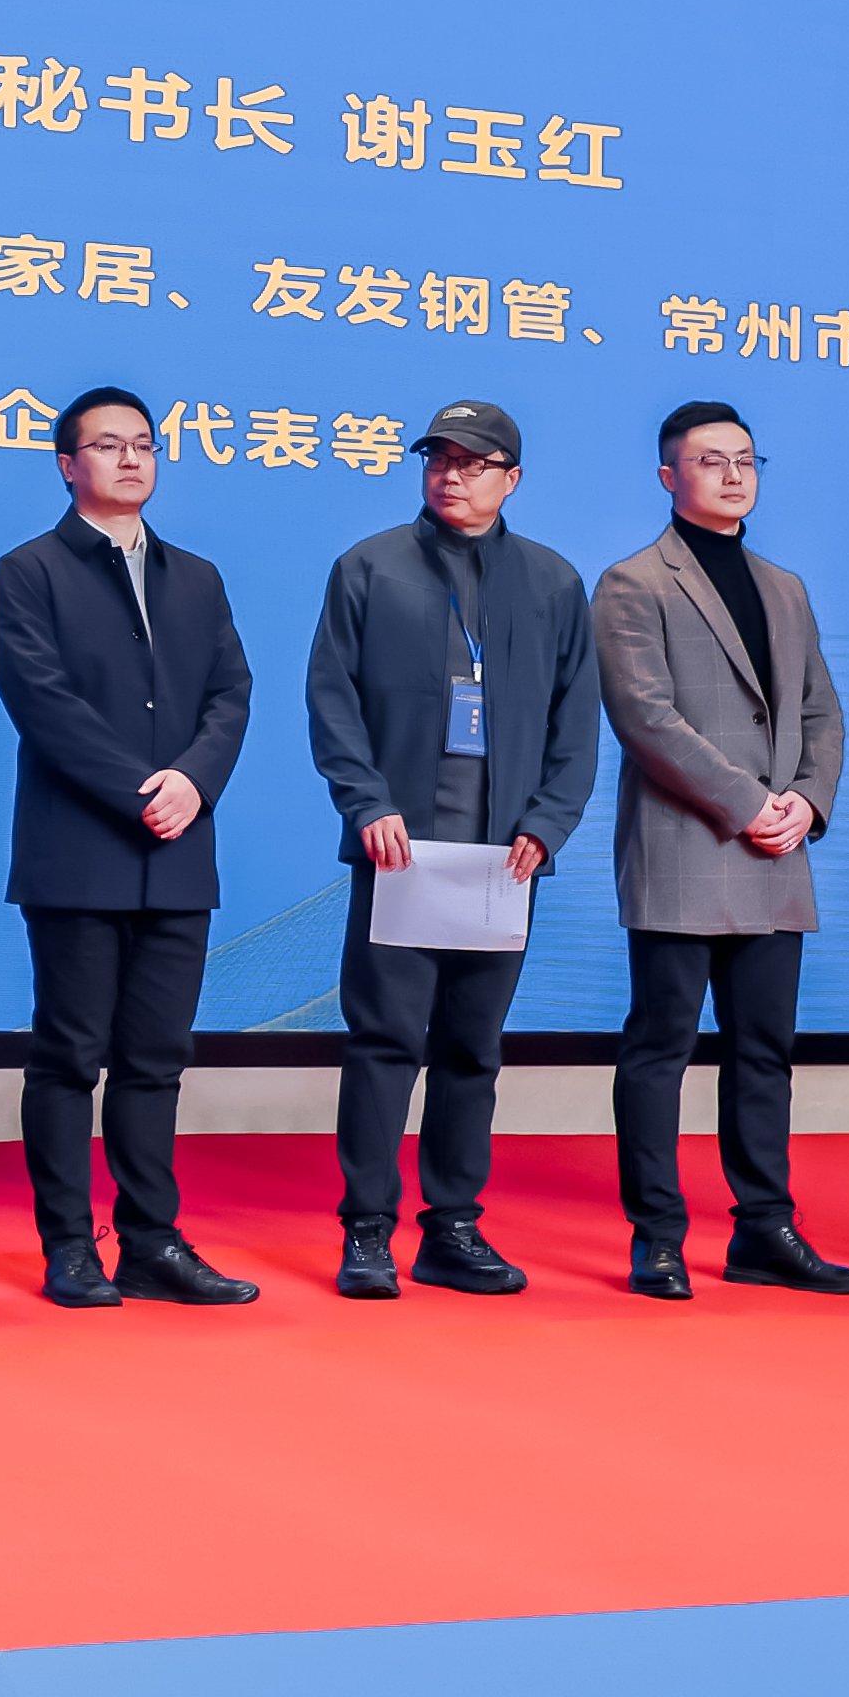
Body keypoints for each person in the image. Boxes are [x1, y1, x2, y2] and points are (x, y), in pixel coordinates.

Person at [303, 398, 599, 1299]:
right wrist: (366, 802)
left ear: (512, 479)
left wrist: (548, 822)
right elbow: (331, 699)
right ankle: (366, 1230)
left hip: (503, 859)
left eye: (474, 464)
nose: (452, 476)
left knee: (473, 1048)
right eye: (439, 459)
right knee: (385, 1042)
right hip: (402, 853)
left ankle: (453, 1229)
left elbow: (576, 721)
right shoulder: (370, 567)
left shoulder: (552, 582)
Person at [0, 385, 259, 1309]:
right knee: (69, 1057)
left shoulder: (199, 577)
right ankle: (70, 1246)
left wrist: (195, 781)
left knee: (155, 1060)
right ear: (68, 465)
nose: (132, 458)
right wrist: (142, 791)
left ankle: (151, 1242)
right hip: (78, 852)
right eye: (108, 445)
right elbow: (42, 701)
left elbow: (230, 693)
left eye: (143, 443)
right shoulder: (30, 571)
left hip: (178, 852)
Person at [590, 402, 849, 1300]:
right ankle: (657, 1237)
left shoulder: (784, 586)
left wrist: (808, 802)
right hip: (687, 844)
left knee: (764, 1052)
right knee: (660, 1048)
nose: (734, 474)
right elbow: (645, 719)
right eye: (711, 461)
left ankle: (765, 1230)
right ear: (668, 477)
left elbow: (821, 710)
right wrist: (750, 803)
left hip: (778, 851)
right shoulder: (634, 582)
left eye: (746, 459)